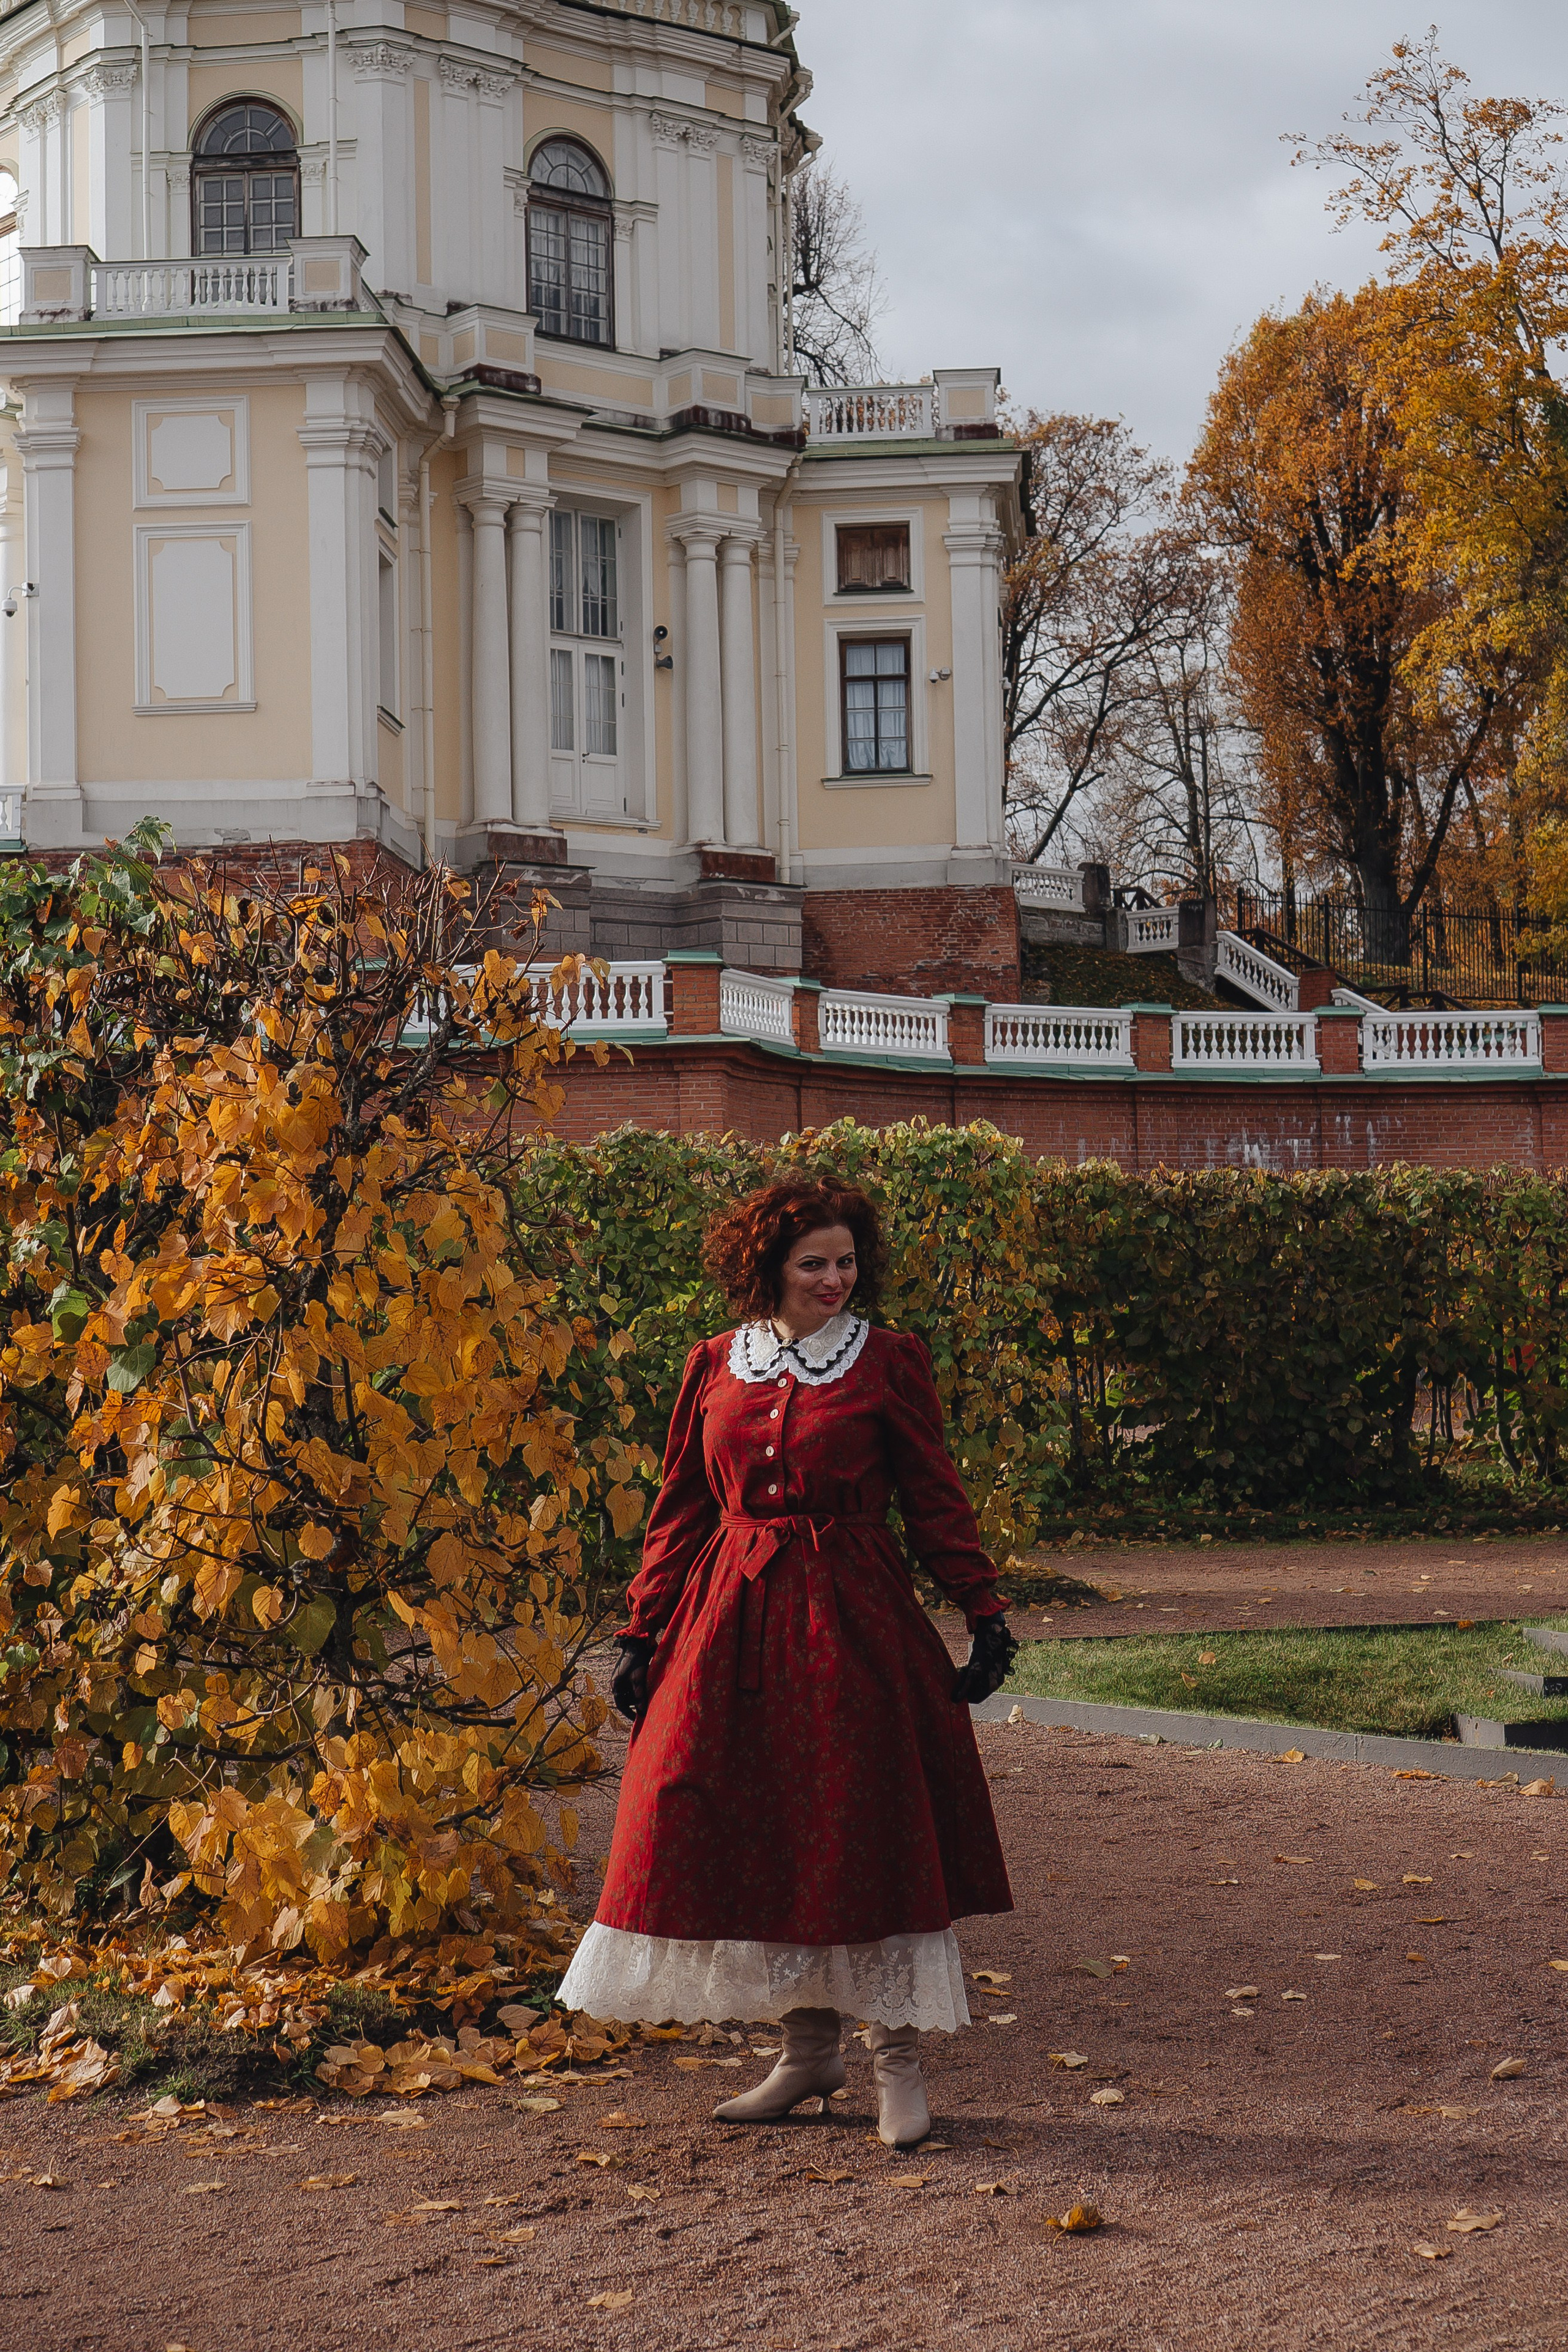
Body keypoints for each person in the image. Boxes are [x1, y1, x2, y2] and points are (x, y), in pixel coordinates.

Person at [557, 1176, 1018, 2147]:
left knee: (865, 1823)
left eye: (846, 1261)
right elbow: (682, 1505)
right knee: (749, 1818)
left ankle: (898, 2062)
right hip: (729, 1622)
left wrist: (983, 1610)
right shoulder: (715, 1362)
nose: (834, 1279)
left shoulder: (887, 1359)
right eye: (814, 1263)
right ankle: (808, 2055)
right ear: (767, 1267)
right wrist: (642, 1630)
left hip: (856, 1621)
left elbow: (934, 1495)